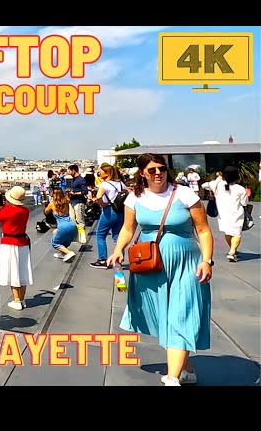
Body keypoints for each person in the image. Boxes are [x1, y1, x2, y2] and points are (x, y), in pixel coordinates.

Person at [107, 153, 213, 387]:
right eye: (152, 169)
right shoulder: (134, 198)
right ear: (142, 173)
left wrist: (207, 260)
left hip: (186, 264)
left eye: (162, 169)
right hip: (151, 263)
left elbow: (203, 230)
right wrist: (118, 249)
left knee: (182, 314)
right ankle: (186, 368)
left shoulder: (184, 194)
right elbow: (127, 228)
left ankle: (172, 377)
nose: (158, 173)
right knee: (163, 315)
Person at [0, 186, 32, 311]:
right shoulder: (24, 211)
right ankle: (22, 299)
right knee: (22, 271)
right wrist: (2, 207)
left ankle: (16, 300)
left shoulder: (9, 211)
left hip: (9, 242)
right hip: (22, 242)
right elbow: (10, 213)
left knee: (13, 272)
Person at [201, 165, 248, 262]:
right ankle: (232, 251)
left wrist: (218, 180)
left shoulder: (218, 185)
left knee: (228, 233)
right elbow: (244, 203)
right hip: (237, 213)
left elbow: (204, 185)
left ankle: (233, 249)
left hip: (223, 214)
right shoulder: (240, 189)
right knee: (236, 233)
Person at [88, 163, 126, 269]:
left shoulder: (104, 185)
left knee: (100, 235)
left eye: (101, 171)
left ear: (107, 173)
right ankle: (119, 258)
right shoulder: (122, 184)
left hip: (109, 211)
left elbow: (99, 196)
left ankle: (102, 260)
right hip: (120, 211)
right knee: (117, 236)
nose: (99, 173)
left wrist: (101, 204)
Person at [44, 189, 77, 262]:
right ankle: (63, 254)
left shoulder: (52, 203)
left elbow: (46, 212)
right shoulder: (66, 201)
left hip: (63, 226)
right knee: (63, 240)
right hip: (72, 225)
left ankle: (69, 253)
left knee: (55, 242)